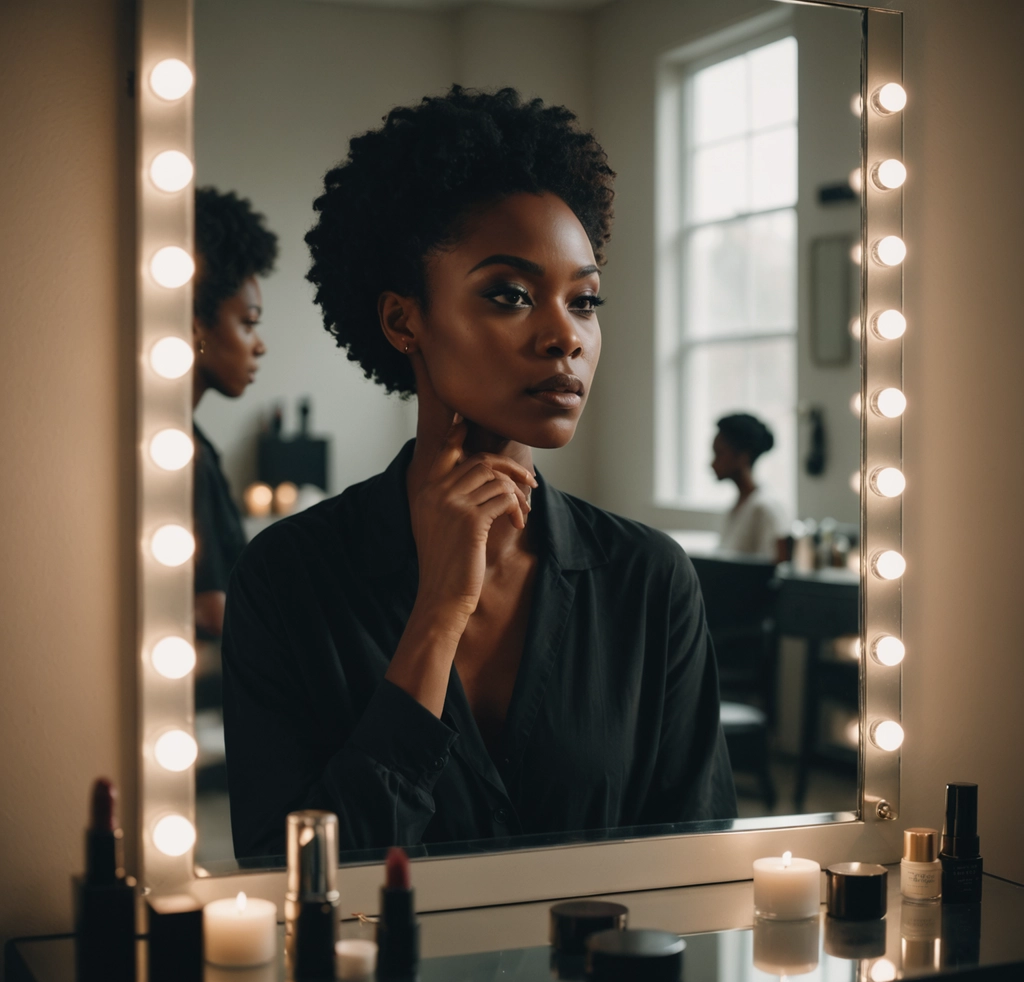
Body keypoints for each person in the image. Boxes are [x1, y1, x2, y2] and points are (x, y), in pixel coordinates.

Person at [222, 86, 736, 858]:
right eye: (511, 294)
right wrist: (438, 611)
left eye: (586, 301)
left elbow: (698, 868)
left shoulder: (649, 582)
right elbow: (284, 878)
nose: (565, 336)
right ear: (404, 320)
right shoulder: (288, 578)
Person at [192, 187, 278, 638]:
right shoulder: (183, 456)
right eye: (248, 322)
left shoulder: (191, 445)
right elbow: (209, 610)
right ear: (197, 325)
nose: (259, 345)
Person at [711, 413, 787, 561]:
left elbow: (772, 570)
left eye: (719, 454)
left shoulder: (764, 508)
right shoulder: (736, 506)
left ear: (742, 457)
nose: (712, 463)